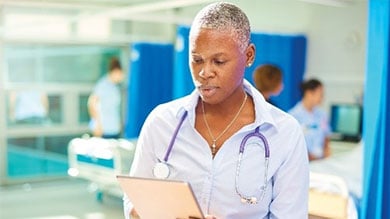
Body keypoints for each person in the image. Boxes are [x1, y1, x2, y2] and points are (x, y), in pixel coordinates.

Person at [123, 2, 309, 219]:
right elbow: (135, 203)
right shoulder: (162, 122)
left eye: (219, 61)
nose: (204, 72)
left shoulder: (284, 133)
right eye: (196, 60)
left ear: (248, 56)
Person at [289, 78, 332, 161]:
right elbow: (293, 143)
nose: (322, 97)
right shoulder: (293, 116)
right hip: (302, 161)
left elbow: (326, 137)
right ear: (309, 93)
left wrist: (327, 156)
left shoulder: (322, 115)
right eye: (320, 94)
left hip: (321, 161)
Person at [88, 57, 124, 139]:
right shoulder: (102, 85)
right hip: (103, 130)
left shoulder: (115, 87)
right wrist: (97, 124)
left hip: (114, 129)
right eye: (120, 74)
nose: (121, 77)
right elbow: (92, 103)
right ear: (115, 72)